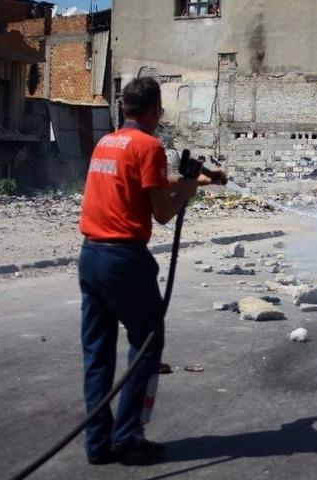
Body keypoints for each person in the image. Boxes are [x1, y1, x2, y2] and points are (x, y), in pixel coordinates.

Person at [77, 77, 223, 465]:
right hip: (124, 259)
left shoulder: (107, 142)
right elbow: (162, 212)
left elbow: (141, 182)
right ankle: (127, 438)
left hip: (90, 256)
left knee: (97, 354)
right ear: (156, 110)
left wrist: (199, 180)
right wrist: (188, 187)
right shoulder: (150, 145)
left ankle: (99, 443)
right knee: (147, 346)